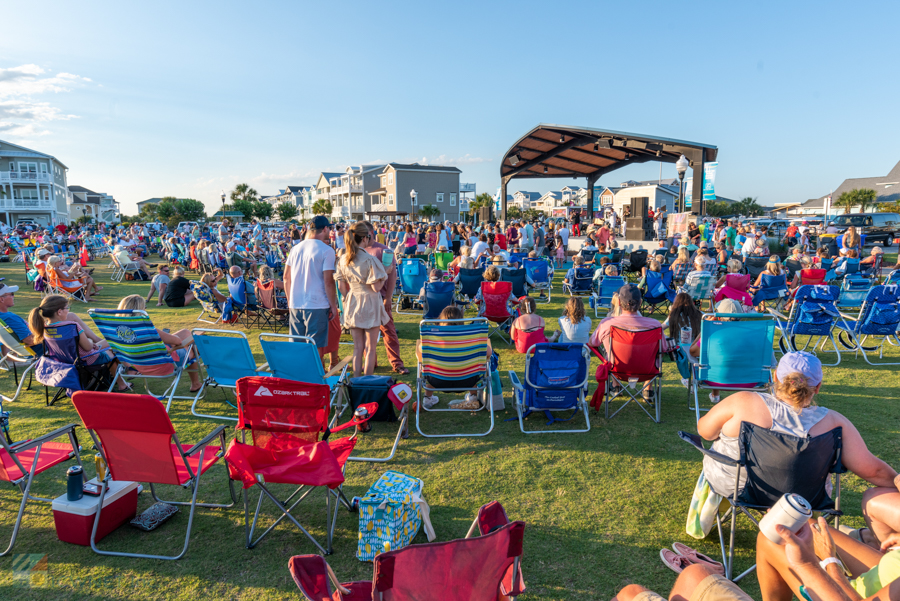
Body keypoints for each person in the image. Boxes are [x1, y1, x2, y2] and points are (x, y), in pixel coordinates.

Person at [697, 351, 898, 500]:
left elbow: (705, 432)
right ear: (818, 387)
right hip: (805, 498)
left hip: (739, 488)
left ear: (775, 377)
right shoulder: (834, 423)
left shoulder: (743, 402)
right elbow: (873, 471)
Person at [756, 516, 900, 601]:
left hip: (855, 595)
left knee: (769, 540)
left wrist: (829, 562)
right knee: (805, 523)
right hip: (890, 569)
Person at [335, 222, 390, 378]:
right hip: (370, 302)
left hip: (353, 300)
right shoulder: (369, 259)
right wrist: (385, 273)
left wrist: (347, 300)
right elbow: (376, 288)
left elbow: (341, 287)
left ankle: (356, 380)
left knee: (358, 348)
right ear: (365, 238)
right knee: (370, 348)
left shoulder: (343, 259)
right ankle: (367, 382)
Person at [116, 295, 202, 392]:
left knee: (186, 332)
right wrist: (172, 342)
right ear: (140, 311)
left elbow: (102, 345)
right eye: (145, 307)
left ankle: (196, 383)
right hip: (165, 365)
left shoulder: (115, 332)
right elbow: (177, 341)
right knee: (193, 345)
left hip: (139, 365)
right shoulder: (148, 330)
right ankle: (195, 384)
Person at [283, 216, 338, 362]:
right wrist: (333, 305)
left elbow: (286, 278)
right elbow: (328, 281)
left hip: (296, 303)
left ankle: (301, 378)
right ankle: (315, 380)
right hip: (317, 304)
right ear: (325, 229)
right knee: (316, 346)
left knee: (297, 347)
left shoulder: (295, 249)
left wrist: (290, 301)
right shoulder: (327, 251)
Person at [0, 283, 44, 355]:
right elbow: (30, 340)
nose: (13, 296)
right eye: (11, 294)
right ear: (1, 299)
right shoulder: (10, 318)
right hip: (40, 349)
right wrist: (51, 336)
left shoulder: (3, 317)